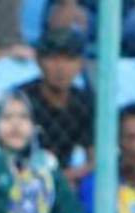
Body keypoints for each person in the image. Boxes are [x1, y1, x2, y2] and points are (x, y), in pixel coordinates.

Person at [23, 28, 92, 187]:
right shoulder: (21, 100)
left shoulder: (86, 101)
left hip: (69, 179)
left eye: (69, 59)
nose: (61, 67)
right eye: (53, 59)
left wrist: (61, 178)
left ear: (81, 64)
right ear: (39, 61)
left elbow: (95, 160)